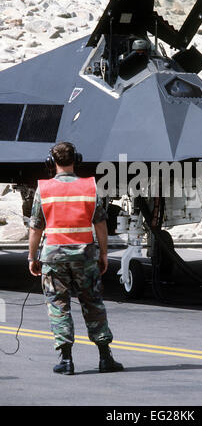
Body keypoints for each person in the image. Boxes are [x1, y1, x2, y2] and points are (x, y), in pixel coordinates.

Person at [28, 141, 123, 375]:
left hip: (53, 258)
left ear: (51, 162)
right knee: (93, 304)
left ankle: (66, 360)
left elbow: (36, 227)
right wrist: (103, 254)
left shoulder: (44, 188)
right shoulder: (89, 187)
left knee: (59, 307)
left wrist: (32, 257)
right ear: (76, 160)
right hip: (85, 257)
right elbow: (100, 224)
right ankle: (104, 357)